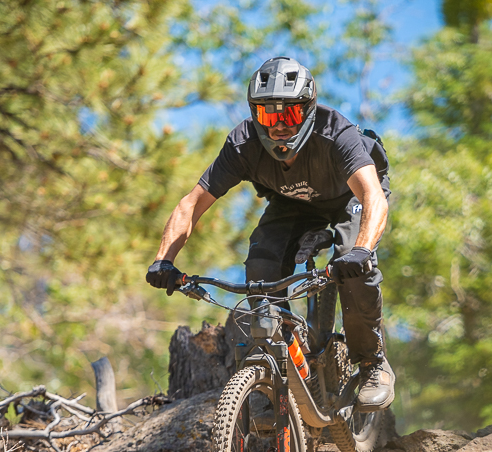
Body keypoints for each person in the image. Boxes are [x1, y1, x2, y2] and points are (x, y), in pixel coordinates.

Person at [145, 56, 394, 412]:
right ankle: (278, 366)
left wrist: (362, 251)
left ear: (308, 110)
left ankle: (373, 365)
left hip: (349, 198)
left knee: (351, 266)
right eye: (267, 115)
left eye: (288, 115)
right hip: (295, 203)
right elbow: (191, 204)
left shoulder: (335, 132)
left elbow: (371, 195)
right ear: (253, 114)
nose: (278, 126)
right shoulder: (242, 144)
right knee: (261, 266)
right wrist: (163, 260)